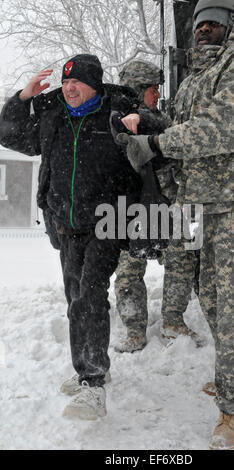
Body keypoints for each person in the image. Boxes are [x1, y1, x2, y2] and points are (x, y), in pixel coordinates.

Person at [117, 0, 234, 450]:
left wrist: (154, 141)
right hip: (202, 205)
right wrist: (146, 123)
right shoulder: (192, 82)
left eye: (213, 22)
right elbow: (181, 131)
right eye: (198, 24)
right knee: (211, 297)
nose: (203, 29)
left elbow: (222, 129)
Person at [0, 54, 143, 421]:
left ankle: (93, 383)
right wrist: (22, 99)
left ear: (94, 85)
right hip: (65, 223)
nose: (69, 89)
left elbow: (155, 125)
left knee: (90, 296)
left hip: (106, 222)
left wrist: (139, 121)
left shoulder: (115, 114)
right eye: (64, 83)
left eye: (76, 82)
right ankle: (90, 367)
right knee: (75, 298)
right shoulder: (53, 118)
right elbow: (10, 135)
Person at [113, 60, 200, 353]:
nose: (158, 94)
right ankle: (134, 330)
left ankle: (173, 321)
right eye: (152, 89)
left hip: (168, 205)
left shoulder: (159, 119)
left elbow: (166, 137)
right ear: (137, 90)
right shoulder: (115, 119)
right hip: (131, 210)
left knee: (182, 260)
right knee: (127, 270)